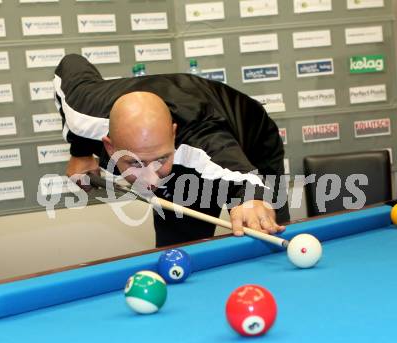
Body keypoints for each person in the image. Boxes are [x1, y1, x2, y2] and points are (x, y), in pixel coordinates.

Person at [54, 54, 290, 247]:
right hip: (182, 159)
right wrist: (81, 152)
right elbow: (71, 63)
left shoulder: (202, 139)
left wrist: (252, 200)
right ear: (109, 145)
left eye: (159, 160)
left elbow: (244, 177)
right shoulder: (83, 113)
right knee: (180, 247)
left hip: (252, 144)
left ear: (174, 135)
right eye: (135, 163)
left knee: (263, 232)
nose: (150, 179)